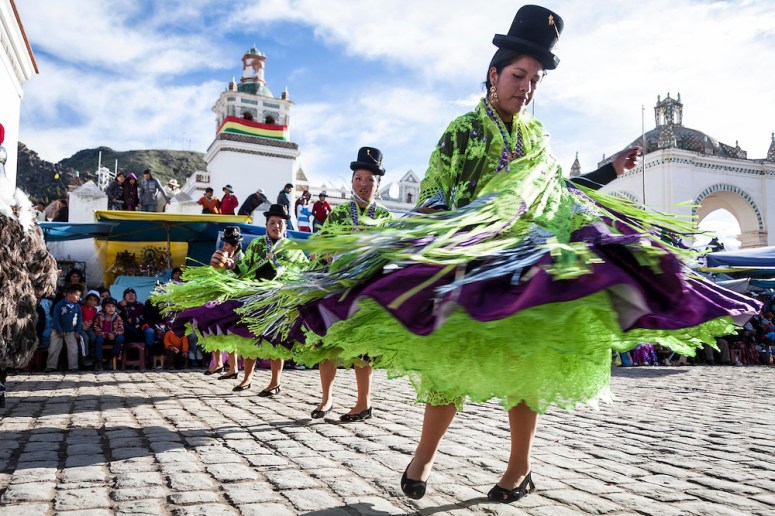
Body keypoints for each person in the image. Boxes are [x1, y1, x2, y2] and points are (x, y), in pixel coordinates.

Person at [249, 5, 759, 503]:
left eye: (535, 79)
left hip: (523, 268)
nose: (526, 87)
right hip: (467, 264)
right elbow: (435, 196)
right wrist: (432, 242)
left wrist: (608, 171)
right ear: (493, 74)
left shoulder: (537, 139)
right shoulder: (461, 132)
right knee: (449, 365)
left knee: (526, 364)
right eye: (519, 74)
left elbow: (557, 191)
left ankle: (519, 470)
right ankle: (423, 456)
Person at [293, 147, 393, 421]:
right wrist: (327, 253)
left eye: (369, 180)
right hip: (337, 288)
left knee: (364, 346)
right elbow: (321, 248)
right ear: (352, 182)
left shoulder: (386, 218)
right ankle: (327, 400)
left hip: (368, 290)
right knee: (327, 343)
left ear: (378, 184)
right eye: (359, 178)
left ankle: (364, 403)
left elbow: (391, 252)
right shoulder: (338, 215)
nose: (363, 185)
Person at [0, 170, 58, 403]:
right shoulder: (22, 219)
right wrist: (43, 282)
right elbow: (38, 259)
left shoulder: (21, 217)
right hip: (10, 295)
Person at [45, 284, 83, 372]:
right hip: (57, 331)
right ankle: (51, 366)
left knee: (73, 349)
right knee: (53, 348)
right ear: (69, 295)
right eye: (76, 295)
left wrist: (77, 331)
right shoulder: (59, 305)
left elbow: (80, 319)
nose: (78, 298)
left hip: (71, 331)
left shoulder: (77, 306)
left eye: (79, 296)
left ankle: (73, 367)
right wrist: (59, 330)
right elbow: (55, 318)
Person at [94, 297, 124, 370]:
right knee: (98, 340)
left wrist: (114, 334)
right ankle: (99, 362)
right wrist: (104, 334)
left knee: (121, 338)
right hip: (102, 336)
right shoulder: (99, 316)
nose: (111, 308)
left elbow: (121, 328)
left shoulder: (117, 317)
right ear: (104, 308)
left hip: (113, 337)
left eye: (113, 306)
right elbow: (96, 326)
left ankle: (111, 358)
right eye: (108, 306)